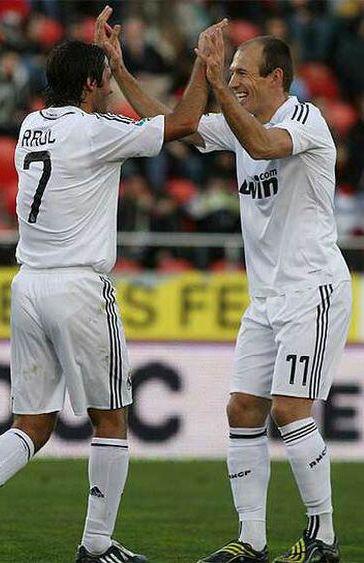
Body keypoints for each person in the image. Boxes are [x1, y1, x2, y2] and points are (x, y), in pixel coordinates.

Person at [0, 8, 219, 562]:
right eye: (102, 80)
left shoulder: (31, 126)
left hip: (28, 285)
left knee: (33, 422)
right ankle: (96, 546)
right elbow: (186, 123)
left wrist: (108, 67)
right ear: (93, 84)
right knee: (112, 416)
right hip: (77, 287)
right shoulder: (96, 131)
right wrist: (200, 64)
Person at [100, 16, 351, 563]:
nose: (234, 80)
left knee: (289, 410)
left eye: (242, 72)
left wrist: (216, 86)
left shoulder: (302, 118)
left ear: (276, 77)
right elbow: (170, 123)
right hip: (265, 300)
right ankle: (253, 540)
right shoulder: (238, 122)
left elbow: (262, 147)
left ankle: (323, 539)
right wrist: (120, 69)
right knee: (242, 409)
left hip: (312, 289)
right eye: (231, 72)